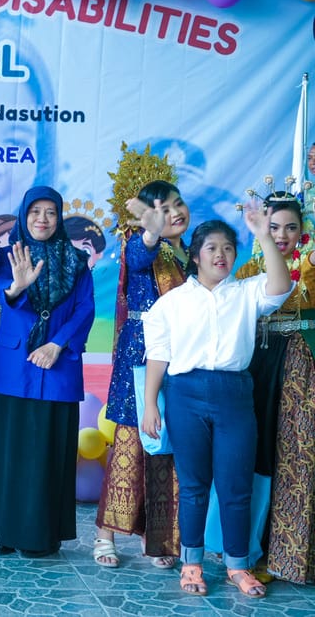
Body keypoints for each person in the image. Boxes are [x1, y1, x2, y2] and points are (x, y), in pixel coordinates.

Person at [142, 211, 292, 599]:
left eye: (228, 248)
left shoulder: (247, 293)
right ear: (196, 255)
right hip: (185, 397)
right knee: (193, 487)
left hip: (236, 398)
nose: (221, 255)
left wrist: (264, 234)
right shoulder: (170, 304)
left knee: (236, 487)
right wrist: (150, 405)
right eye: (212, 248)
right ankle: (191, 564)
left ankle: (237, 566)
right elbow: (158, 356)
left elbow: (281, 286)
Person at [0, 186, 94, 557]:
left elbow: (85, 310)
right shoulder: (8, 255)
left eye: (50, 212)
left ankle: (43, 536)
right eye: (35, 212)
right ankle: (8, 533)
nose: (42, 219)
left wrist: (57, 344)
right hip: (14, 369)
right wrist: (19, 285)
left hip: (57, 366)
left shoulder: (77, 262)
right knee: (11, 451)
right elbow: (1, 294)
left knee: (49, 452)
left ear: (59, 217)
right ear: (24, 215)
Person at [94, 179, 189, 569]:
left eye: (178, 204)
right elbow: (137, 258)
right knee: (131, 447)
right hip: (141, 355)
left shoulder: (194, 250)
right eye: (164, 208)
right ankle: (105, 536)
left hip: (184, 358)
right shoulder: (141, 243)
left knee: (170, 448)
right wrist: (151, 229)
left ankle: (161, 539)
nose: (175, 213)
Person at [235, 192, 315, 584]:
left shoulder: (311, 265)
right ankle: (249, 549)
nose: (281, 234)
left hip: (300, 372)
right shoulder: (250, 265)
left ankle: (290, 556)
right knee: (257, 455)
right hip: (257, 369)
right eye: (274, 227)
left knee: (296, 455)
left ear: (303, 231)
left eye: (290, 227)